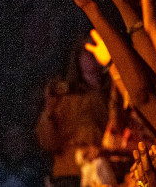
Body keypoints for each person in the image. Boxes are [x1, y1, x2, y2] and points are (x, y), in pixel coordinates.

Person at [36, 33, 110, 187]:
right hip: (69, 175)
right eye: (86, 51)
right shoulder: (64, 97)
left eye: (94, 49)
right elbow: (47, 142)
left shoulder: (113, 93)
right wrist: (49, 108)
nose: (91, 55)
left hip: (106, 170)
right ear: (78, 57)